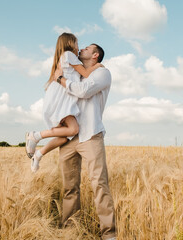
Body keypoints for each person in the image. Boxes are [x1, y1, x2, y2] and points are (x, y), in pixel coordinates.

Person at [53, 43, 116, 240]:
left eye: (87, 49)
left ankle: (109, 234)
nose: (82, 50)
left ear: (95, 55)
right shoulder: (76, 74)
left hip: (91, 135)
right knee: (70, 186)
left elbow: (84, 91)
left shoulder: (102, 74)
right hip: (70, 137)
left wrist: (61, 80)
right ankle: (70, 230)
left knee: (99, 184)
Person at [25, 33, 102, 172]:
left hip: (62, 97)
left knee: (64, 138)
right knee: (73, 130)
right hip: (62, 99)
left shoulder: (66, 57)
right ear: (70, 43)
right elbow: (86, 74)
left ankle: (38, 155)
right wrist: (99, 66)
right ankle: (35, 135)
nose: (79, 48)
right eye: (77, 44)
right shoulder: (69, 54)